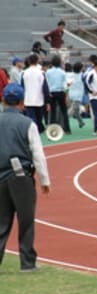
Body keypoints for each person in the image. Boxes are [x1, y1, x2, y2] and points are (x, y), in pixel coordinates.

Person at [0, 83, 50, 271]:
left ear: (4, 100)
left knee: (1, 222)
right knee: (26, 220)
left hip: (0, 176)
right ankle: (27, 261)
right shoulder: (27, 123)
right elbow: (37, 153)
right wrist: (45, 180)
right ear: (22, 102)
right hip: (20, 176)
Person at [21, 54, 50, 133]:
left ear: (29, 61)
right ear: (37, 61)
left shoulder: (24, 73)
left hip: (28, 100)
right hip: (39, 100)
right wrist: (47, 102)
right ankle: (36, 134)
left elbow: (22, 88)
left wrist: (21, 101)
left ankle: (32, 134)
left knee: (31, 120)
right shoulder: (41, 73)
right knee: (39, 119)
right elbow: (45, 88)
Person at [46, 55, 71, 134]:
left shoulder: (48, 72)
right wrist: (66, 95)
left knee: (52, 112)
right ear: (60, 63)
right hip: (61, 92)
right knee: (64, 111)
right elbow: (65, 85)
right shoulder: (62, 72)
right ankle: (67, 129)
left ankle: (53, 130)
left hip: (52, 93)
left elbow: (47, 83)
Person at [68, 62, 85, 128]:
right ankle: (64, 122)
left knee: (76, 110)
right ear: (80, 68)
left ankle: (81, 122)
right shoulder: (83, 75)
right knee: (72, 109)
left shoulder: (70, 74)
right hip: (78, 95)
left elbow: (68, 83)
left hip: (71, 93)